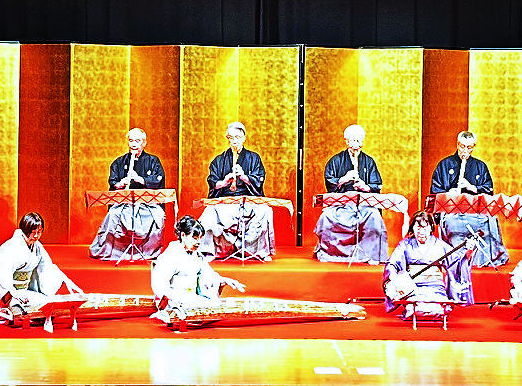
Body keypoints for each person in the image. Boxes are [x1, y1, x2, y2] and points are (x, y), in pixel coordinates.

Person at [151, 215, 367, 330]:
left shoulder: (195, 254)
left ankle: (341, 310)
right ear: (182, 236)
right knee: (208, 308)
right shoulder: (171, 255)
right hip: (178, 301)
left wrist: (223, 279)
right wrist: (179, 299)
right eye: (194, 238)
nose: (198, 243)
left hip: (194, 298)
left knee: (215, 304)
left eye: (199, 239)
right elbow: (160, 286)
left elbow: (207, 273)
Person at [0, 212, 83, 323]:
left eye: (39, 232)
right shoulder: (10, 247)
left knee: (46, 304)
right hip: (8, 293)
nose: (36, 236)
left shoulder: (37, 246)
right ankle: (11, 310)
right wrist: (14, 293)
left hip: (24, 291)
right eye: (33, 232)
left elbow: (47, 266)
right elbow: (2, 276)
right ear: (25, 230)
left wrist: (63, 278)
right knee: (19, 312)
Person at [428, 131, 508, 267]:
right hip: (452, 213)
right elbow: (434, 192)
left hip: (476, 213)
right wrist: (448, 193)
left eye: (469, 147)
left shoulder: (480, 166)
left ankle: (487, 258)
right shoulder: (444, 165)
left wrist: (473, 188)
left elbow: (489, 190)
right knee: (452, 224)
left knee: (491, 220)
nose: (465, 150)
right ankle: (455, 258)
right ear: (457, 144)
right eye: (462, 146)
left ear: (473, 147)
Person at [313, 124, 389, 263]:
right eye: (353, 140)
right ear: (346, 141)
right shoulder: (336, 160)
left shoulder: (369, 161)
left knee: (374, 216)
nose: (356, 144)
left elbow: (377, 184)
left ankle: (372, 255)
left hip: (364, 206)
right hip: (341, 206)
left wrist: (365, 187)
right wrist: (343, 179)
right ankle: (330, 253)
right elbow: (329, 182)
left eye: (359, 141)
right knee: (326, 216)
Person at [89, 128, 168, 261]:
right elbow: (112, 182)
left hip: (147, 204)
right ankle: (113, 251)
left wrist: (140, 179)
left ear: (144, 143)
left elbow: (158, 180)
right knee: (113, 215)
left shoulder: (153, 161)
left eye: (137, 141)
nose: (134, 144)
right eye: (131, 141)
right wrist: (120, 183)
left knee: (158, 216)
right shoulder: (118, 162)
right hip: (124, 204)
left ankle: (149, 251)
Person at [382, 211, 475, 321]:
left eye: (425, 228)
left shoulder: (439, 245)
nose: (421, 232)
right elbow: (392, 263)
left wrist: (468, 252)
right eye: (418, 228)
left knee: (437, 308)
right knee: (416, 307)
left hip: (435, 287)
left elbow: (456, 262)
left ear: (431, 227)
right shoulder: (405, 245)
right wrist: (393, 277)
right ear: (412, 228)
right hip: (413, 287)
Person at [199, 122, 273, 260]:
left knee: (265, 210)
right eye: (231, 138)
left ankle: (258, 252)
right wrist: (223, 183)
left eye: (238, 137)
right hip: (226, 202)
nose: (234, 141)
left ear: (244, 138)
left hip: (248, 200)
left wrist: (244, 177)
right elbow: (212, 181)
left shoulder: (254, 158)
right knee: (209, 213)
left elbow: (259, 179)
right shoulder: (219, 160)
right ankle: (212, 251)